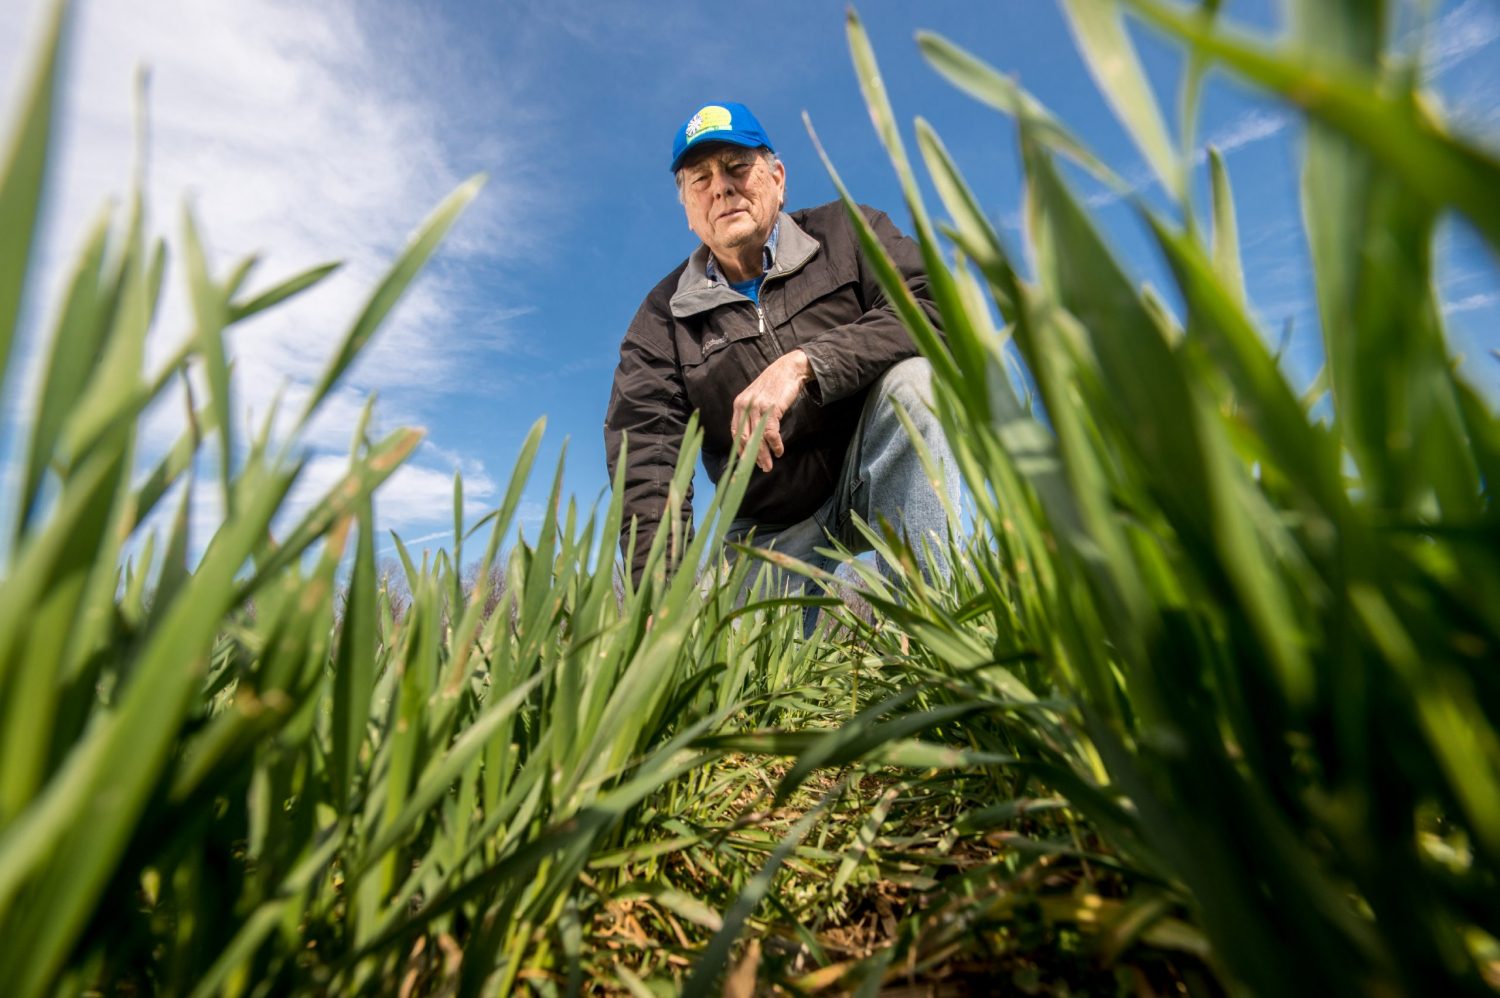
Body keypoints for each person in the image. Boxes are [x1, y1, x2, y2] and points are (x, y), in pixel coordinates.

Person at [604, 100, 958, 621]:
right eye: (699, 178)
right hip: (770, 524)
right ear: (687, 208)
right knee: (755, 685)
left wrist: (806, 363)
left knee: (916, 382)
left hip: (871, 463)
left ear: (777, 177)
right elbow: (648, 461)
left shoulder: (848, 232)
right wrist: (659, 597)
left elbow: (935, 309)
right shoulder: (663, 319)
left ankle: (936, 633)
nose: (720, 187)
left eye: (737, 167)